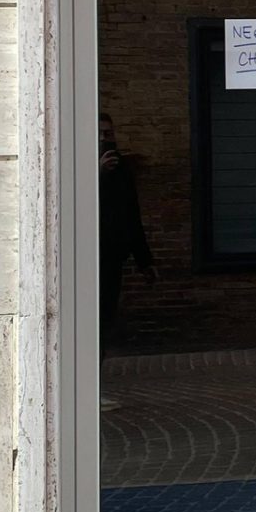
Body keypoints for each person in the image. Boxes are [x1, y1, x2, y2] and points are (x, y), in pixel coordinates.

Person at [99, 112, 155, 354]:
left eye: (108, 133)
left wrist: (145, 261)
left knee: (106, 318)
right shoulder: (78, 165)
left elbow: (132, 214)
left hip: (112, 257)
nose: (104, 139)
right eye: (99, 134)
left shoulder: (122, 169)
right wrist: (97, 174)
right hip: (85, 258)